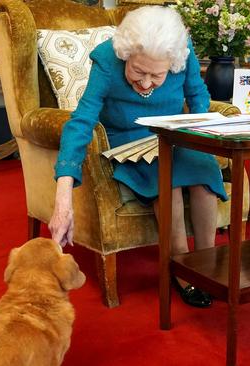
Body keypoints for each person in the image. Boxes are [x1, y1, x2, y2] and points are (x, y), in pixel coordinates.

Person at [48, 6, 224, 308]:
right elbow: (81, 121)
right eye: (138, 71)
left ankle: (205, 265)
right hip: (128, 141)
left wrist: (202, 135)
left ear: (172, 62)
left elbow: (197, 97)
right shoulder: (106, 59)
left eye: (157, 75)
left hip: (175, 134)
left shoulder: (183, 52)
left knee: (205, 178)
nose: (145, 84)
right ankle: (181, 270)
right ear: (126, 54)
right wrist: (63, 195)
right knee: (169, 183)